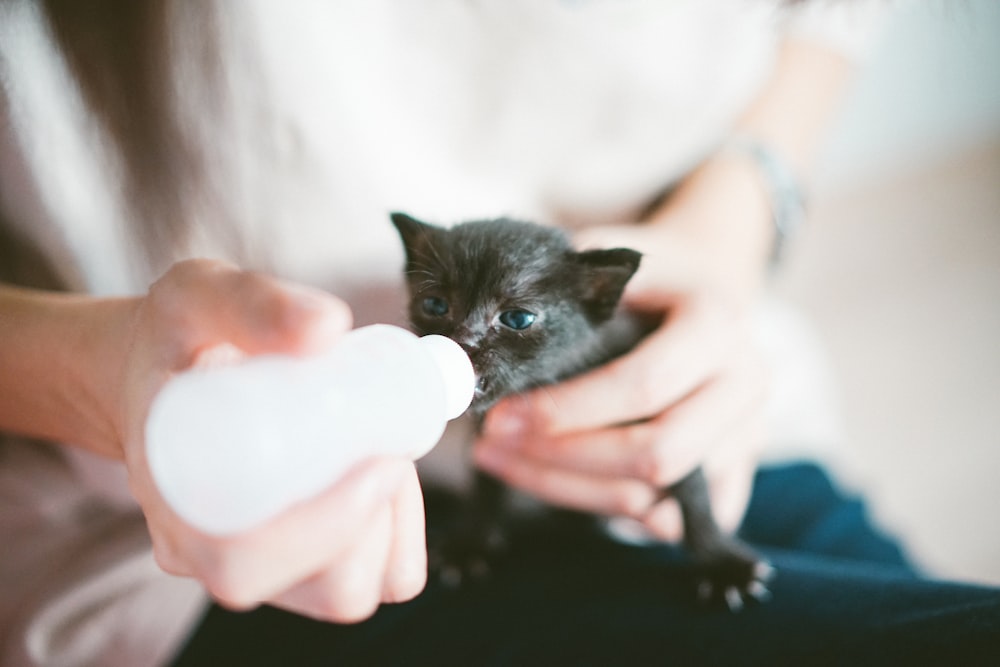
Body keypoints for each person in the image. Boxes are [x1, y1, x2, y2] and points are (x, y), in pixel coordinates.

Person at [1, 1, 997, 665]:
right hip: (175, 535)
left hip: (716, 419)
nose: (467, 338)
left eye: (507, 323)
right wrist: (89, 376)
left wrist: (729, 224)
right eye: (440, 309)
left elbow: (827, 20)